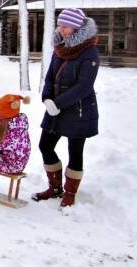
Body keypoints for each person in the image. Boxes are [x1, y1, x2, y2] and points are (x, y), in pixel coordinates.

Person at [32, 8, 100, 207]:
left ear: (77, 27)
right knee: (45, 145)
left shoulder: (89, 52)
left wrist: (57, 103)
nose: (61, 29)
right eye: (60, 25)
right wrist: (46, 98)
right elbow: (50, 75)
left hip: (79, 110)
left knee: (75, 152)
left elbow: (84, 86)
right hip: (55, 109)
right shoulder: (60, 47)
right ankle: (54, 188)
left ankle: (70, 193)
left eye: (66, 26)